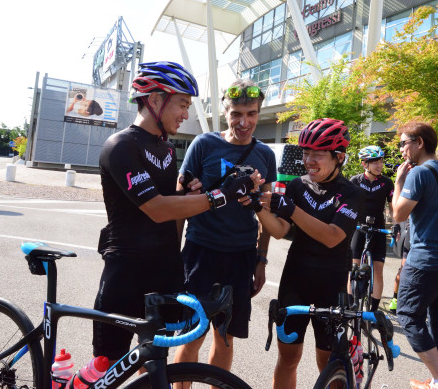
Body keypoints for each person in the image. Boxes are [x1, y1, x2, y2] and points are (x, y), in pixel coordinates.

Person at [92, 62, 254, 364]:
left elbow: (170, 203)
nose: (185, 114)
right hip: (126, 271)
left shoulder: (166, 148)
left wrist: (186, 195)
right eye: (182, 104)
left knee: (155, 363)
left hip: (163, 269)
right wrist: (220, 195)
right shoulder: (121, 146)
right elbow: (155, 208)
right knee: (107, 367)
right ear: (154, 100)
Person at [173, 79, 277, 372]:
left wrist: (261, 260)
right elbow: (181, 201)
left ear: (259, 113)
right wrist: (172, 255)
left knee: (226, 337)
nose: (244, 122)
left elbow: (265, 212)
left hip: (241, 256)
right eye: (236, 114)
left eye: (252, 113)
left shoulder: (265, 155)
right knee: (192, 335)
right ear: (225, 111)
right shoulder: (204, 144)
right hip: (201, 252)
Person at [254, 118, 365, 389]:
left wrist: (291, 209)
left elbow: (332, 237)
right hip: (295, 282)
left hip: (331, 286)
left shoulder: (352, 194)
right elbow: (280, 230)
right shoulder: (297, 187)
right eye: (305, 153)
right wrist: (257, 206)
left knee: (329, 364)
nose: (309, 160)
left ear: (339, 157)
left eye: (317, 154)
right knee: (287, 358)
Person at [392, 122, 438, 389]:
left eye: (403, 143)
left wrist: (399, 181)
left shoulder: (419, 174)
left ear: (419, 143)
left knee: (408, 315)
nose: (401, 150)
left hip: (426, 260)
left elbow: (398, 215)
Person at [347, 145, 393, 311]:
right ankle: (350, 306)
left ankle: (373, 311)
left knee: (378, 270)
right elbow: (346, 205)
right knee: (353, 268)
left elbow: (392, 206)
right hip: (358, 228)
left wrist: (396, 226)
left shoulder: (387, 183)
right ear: (364, 164)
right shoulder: (355, 181)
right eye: (374, 161)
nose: (379, 165)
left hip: (378, 229)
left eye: (381, 160)